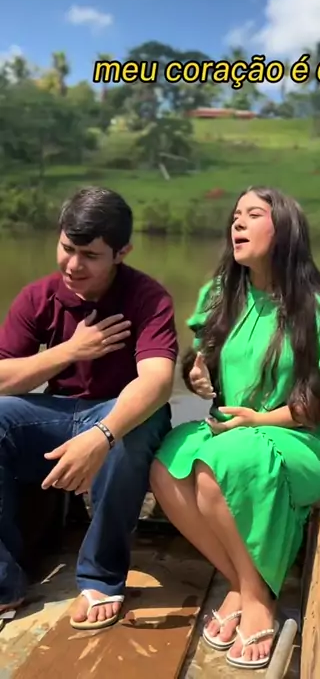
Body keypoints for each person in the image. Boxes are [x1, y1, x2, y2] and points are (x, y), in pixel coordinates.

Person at [150, 185, 320, 670]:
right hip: (236, 431)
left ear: (285, 230)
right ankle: (241, 581)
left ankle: (255, 600)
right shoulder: (221, 295)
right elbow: (204, 361)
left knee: (219, 464)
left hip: (302, 440)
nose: (237, 223)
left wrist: (261, 419)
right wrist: (198, 371)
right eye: (236, 215)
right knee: (167, 463)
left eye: (253, 214)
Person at [0, 187, 178, 631]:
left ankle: (101, 577)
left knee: (135, 428)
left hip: (121, 417)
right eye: (67, 248)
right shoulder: (38, 297)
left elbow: (157, 382)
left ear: (122, 252)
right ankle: (4, 581)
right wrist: (69, 351)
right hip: (60, 414)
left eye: (90, 255)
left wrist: (102, 435)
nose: (73, 265)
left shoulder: (148, 298)